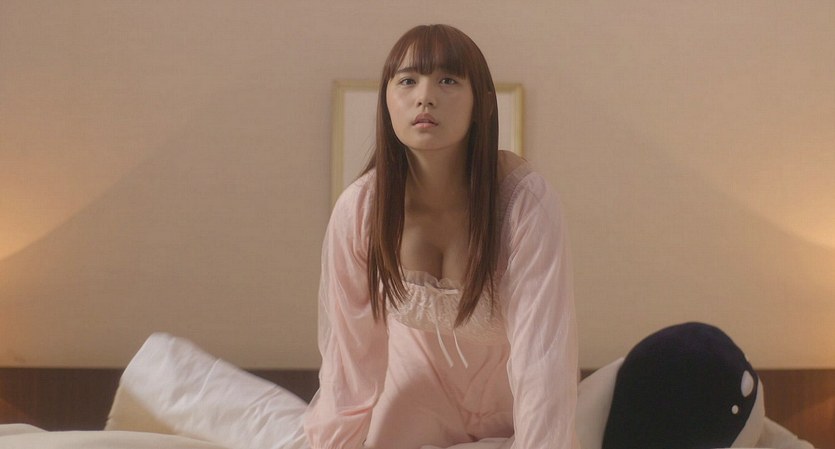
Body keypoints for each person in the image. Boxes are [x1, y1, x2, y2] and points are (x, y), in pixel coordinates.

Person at [304, 24, 579, 449]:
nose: (425, 97)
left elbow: (543, 361)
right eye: (407, 81)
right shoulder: (360, 210)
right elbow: (349, 365)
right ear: (386, 102)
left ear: (482, 103)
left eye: (448, 80)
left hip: (511, 398)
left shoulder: (523, 202)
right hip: (417, 391)